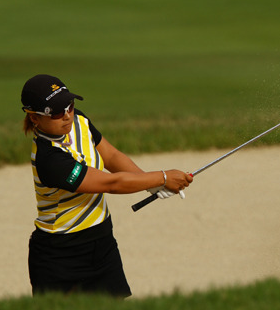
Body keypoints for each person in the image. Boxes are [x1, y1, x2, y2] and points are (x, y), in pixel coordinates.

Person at [21, 74, 193, 297]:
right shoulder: (49, 159)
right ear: (35, 118)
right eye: (55, 112)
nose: (66, 115)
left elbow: (110, 156)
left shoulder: (79, 121)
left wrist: (147, 183)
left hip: (102, 242)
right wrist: (161, 178)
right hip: (60, 255)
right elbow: (111, 183)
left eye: (69, 106)